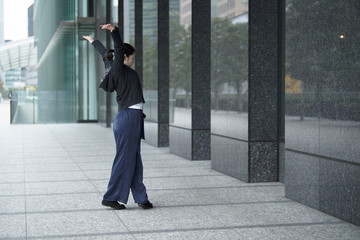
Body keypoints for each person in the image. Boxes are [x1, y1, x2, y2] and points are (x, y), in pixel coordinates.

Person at [83, 23, 153, 210]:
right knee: (124, 159)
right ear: (124, 57)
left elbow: (104, 53)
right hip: (129, 117)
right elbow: (118, 50)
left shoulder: (113, 67)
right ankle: (111, 197)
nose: (133, 61)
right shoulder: (119, 69)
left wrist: (93, 41)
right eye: (132, 58)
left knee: (134, 159)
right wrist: (115, 31)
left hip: (131, 118)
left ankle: (141, 198)